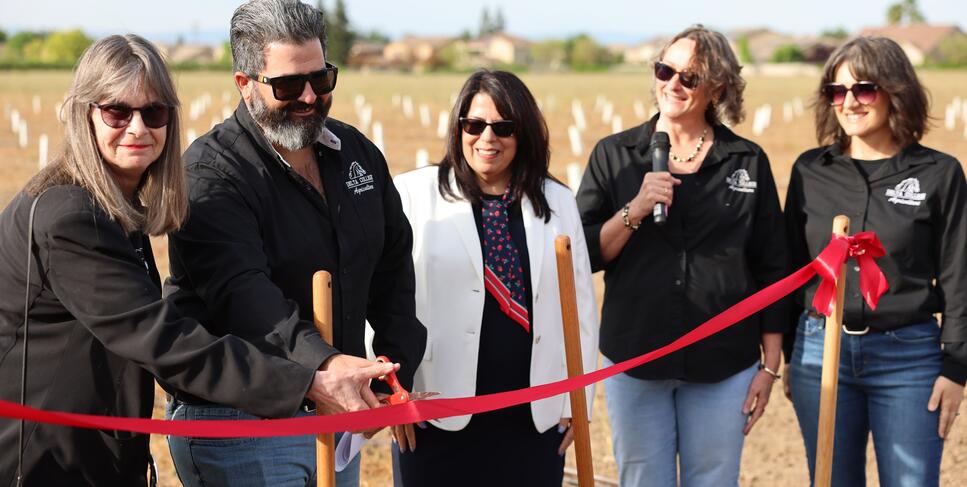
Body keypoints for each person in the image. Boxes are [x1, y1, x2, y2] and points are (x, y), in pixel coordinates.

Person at [0, 34, 397, 487]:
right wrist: (309, 381)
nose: (137, 127)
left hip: (82, 458)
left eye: (154, 112)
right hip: (38, 463)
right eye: (116, 111)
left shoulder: (113, 207)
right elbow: (164, 341)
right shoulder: (70, 216)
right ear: (83, 115)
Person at [161, 1, 426, 486]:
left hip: (337, 420)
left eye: (321, 79)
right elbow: (246, 296)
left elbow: (393, 263)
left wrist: (392, 365)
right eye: (287, 85)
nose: (309, 96)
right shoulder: (210, 175)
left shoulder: (357, 155)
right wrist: (326, 365)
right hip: (243, 423)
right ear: (245, 84)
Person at [576, 25, 788, 487]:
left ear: (718, 86)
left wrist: (770, 366)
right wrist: (633, 210)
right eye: (664, 70)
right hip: (634, 357)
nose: (672, 83)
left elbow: (773, 267)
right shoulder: (614, 156)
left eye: (689, 77)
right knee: (642, 480)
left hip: (724, 364)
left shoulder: (746, 161)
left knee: (712, 480)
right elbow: (583, 253)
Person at [391, 69, 598, 486]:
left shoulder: (558, 202)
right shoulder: (413, 194)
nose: (488, 138)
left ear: (524, 134)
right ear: (459, 127)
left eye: (504, 127)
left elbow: (581, 307)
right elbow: (385, 299)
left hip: (533, 416)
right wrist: (391, 393)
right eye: (474, 124)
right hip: (434, 414)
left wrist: (580, 402)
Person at [783, 36, 966, 487]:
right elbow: (789, 267)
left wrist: (957, 368)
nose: (848, 102)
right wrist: (791, 353)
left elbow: (960, 272)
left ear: (895, 91)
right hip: (818, 351)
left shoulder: (939, 173)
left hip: (910, 358)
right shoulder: (810, 171)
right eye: (837, 91)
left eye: (863, 89)